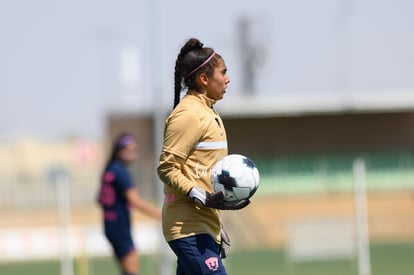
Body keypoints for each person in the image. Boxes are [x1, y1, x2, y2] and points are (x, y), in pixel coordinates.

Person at [157, 38, 250, 275]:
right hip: (188, 227)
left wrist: (215, 224)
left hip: (204, 226)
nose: (228, 78)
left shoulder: (208, 111)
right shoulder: (188, 115)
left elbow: (201, 171)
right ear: (204, 79)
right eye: (224, 72)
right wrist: (199, 195)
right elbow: (167, 168)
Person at [97, 133, 161, 275]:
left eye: (134, 150)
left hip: (110, 224)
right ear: (118, 151)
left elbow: (99, 199)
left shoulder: (110, 169)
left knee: (126, 269)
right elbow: (135, 200)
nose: (132, 154)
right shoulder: (120, 172)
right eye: (128, 150)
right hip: (119, 226)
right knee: (131, 268)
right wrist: (160, 214)